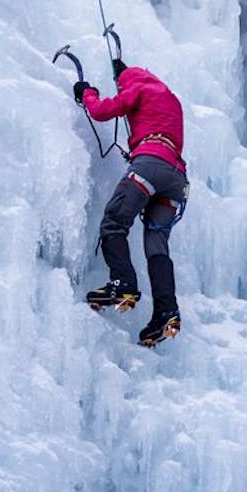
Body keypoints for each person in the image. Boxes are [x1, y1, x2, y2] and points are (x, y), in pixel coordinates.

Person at [73, 58, 189, 346]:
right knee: (156, 244)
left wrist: (87, 93)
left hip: (150, 165)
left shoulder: (138, 86)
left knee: (114, 221)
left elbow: (101, 111)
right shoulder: (171, 99)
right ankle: (166, 311)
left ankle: (123, 283)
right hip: (176, 179)